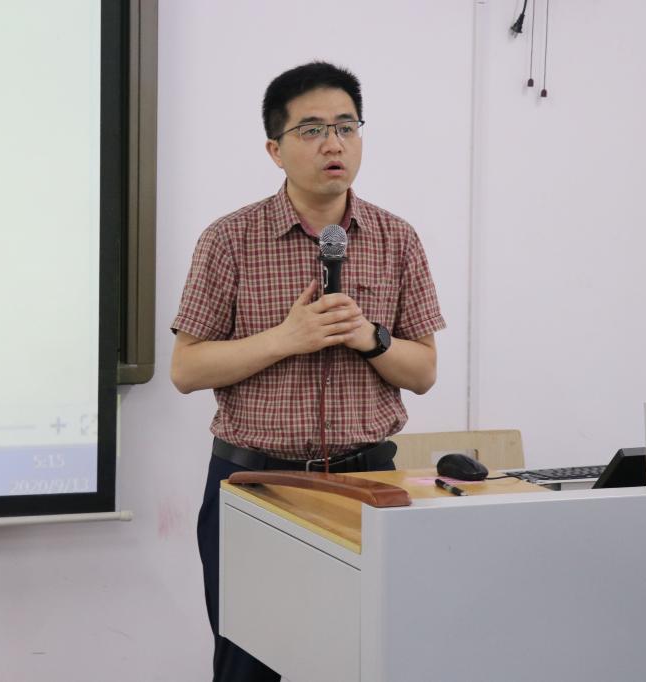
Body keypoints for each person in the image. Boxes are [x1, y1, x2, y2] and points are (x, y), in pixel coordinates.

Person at [170, 61, 446, 682]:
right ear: (275, 148)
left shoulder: (397, 238)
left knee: (367, 659)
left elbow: (424, 371)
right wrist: (285, 339)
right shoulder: (230, 239)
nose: (334, 144)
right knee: (250, 665)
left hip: (368, 480)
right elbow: (186, 369)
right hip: (256, 482)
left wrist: (371, 338)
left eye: (347, 126)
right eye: (313, 129)